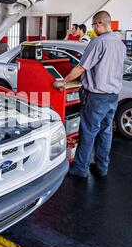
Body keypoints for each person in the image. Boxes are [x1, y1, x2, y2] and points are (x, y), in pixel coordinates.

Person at [53, 11, 126, 178]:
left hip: (96, 97)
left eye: (94, 26)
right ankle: (102, 167)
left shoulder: (98, 42)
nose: (93, 29)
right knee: (106, 132)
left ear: (99, 24)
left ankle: (80, 169)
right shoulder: (120, 43)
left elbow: (81, 68)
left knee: (88, 131)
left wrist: (63, 82)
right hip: (113, 96)